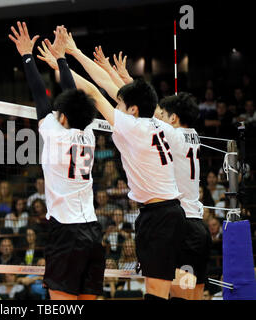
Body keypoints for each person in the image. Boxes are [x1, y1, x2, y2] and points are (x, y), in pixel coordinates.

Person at [63, 33, 185, 300]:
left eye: (120, 104)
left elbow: (95, 92)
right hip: (162, 213)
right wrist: (81, 55)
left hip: (160, 216)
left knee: (156, 291)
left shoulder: (133, 126)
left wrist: (62, 62)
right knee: (163, 288)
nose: (116, 106)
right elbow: (112, 86)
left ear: (132, 110)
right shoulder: (158, 123)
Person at [10, 22, 105, 300]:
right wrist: (61, 59)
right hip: (92, 231)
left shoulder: (54, 134)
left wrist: (27, 56)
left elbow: (40, 94)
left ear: (62, 115)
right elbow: (72, 93)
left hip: (65, 233)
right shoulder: (89, 133)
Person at [157, 92, 212, 300]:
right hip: (198, 226)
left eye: (163, 114)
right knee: (195, 296)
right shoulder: (194, 135)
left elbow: (146, 110)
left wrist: (127, 82)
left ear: (173, 118)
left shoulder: (174, 135)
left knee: (181, 296)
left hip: (185, 228)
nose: (160, 117)